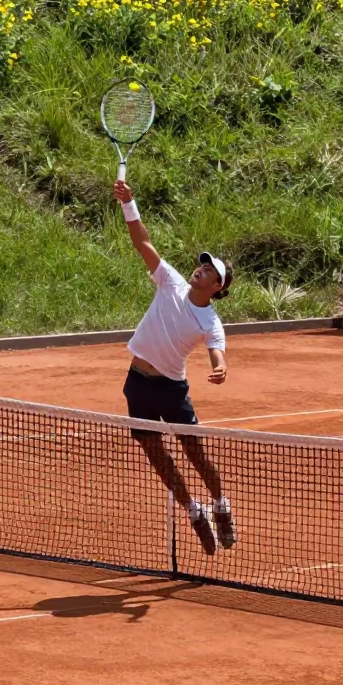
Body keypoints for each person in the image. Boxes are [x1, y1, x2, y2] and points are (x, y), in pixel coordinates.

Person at [114, 178, 236, 554]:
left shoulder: (210, 322)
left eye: (209, 271)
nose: (200, 270)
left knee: (195, 454)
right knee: (156, 456)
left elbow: (218, 350)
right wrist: (128, 204)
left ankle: (220, 506)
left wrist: (220, 368)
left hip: (171, 389)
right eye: (201, 266)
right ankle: (195, 512)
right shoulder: (170, 281)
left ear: (217, 286)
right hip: (138, 383)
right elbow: (142, 242)